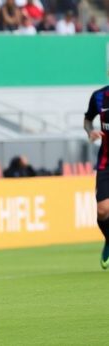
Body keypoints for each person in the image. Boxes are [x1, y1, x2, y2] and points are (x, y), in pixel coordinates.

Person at [84, 86, 109, 269]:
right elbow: (87, 120)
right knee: (102, 211)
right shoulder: (99, 96)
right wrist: (90, 131)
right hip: (106, 163)